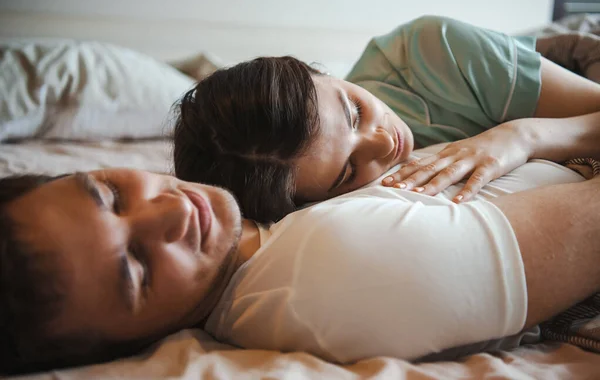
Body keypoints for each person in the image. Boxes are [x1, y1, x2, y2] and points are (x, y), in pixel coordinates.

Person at [1, 158, 600, 374]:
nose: (166, 214)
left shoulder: (273, 231)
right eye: (136, 270)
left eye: (108, 193)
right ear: (124, 344)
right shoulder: (331, 274)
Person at [172, 15, 600, 223]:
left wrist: (521, 136)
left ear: (319, 72)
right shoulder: (322, 211)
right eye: (347, 171)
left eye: (354, 111)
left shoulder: (434, 51)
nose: (384, 144)